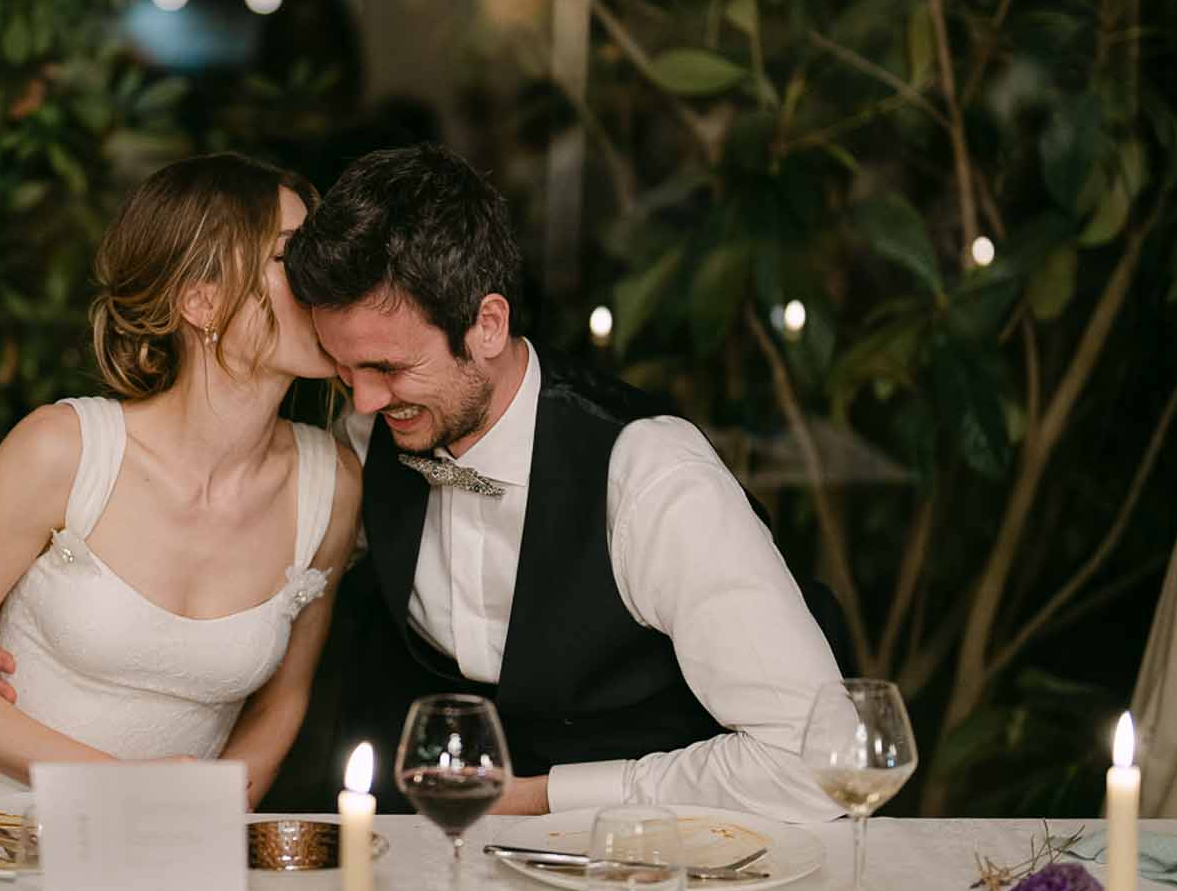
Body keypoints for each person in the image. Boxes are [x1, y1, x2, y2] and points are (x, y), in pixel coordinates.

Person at [280, 144, 844, 822]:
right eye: (346, 371)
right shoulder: (369, 437)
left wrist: (547, 797)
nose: (364, 402)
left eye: (390, 367)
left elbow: (820, 762)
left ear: (488, 324)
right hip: (434, 844)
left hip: (650, 856)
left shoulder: (651, 479)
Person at [0, 153, 361, 809]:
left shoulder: (331, 488)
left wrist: (207, 814)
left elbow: (283, 700)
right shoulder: (64, 451)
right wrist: (118, 787)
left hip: (160, 858)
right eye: (290, 257)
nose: (326, 278)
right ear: (200, 299)